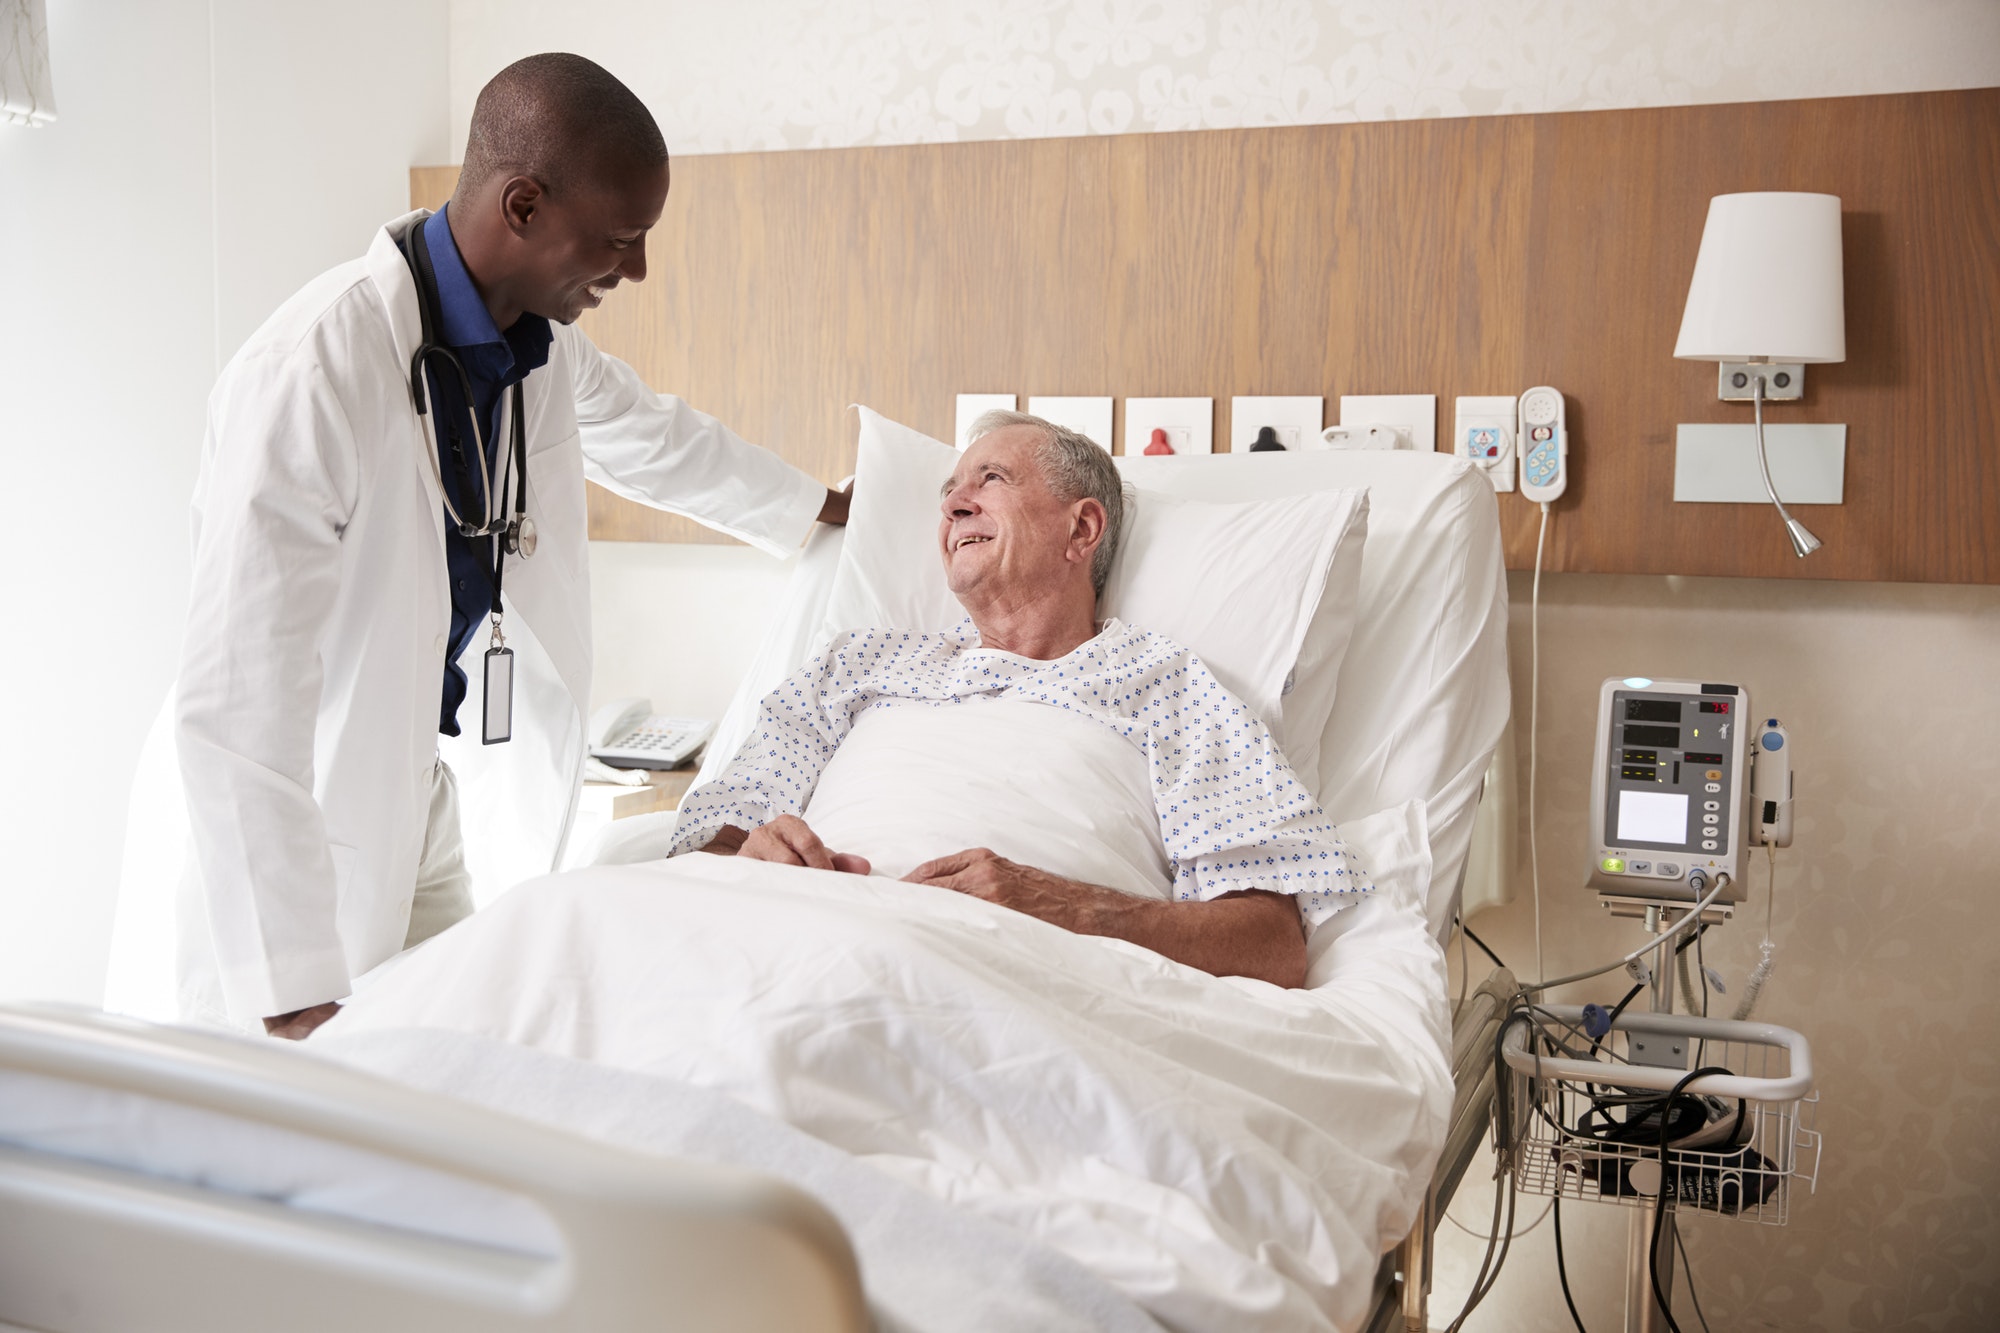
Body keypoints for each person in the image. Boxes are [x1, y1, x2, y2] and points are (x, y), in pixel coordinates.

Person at [175, 54, 848, 1040]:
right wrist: (290, 990)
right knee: (295, 1125)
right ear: (523, 205)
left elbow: (660, 440)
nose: (636, 270)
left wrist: (825, 508)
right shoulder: (311, 371)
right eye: (620, 239)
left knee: (470, 1057)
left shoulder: (534, 341)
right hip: (293, 824)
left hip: (419, 792)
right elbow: (234, 706)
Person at [668, 411, 1370, 989]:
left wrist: (1069, 907)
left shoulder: (1169, 687)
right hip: (780, 956)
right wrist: (749, 862)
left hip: (1009, 983)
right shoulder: (855, 665)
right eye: (949, 491)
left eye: (991, 478)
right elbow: (710, 848)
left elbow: (1272, 944)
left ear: (1082, 528)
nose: (952, 504)